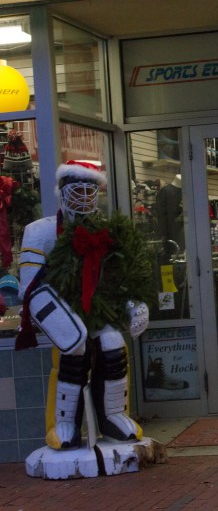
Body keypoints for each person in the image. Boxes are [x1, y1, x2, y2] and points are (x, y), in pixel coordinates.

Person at [16, 160, 151, 450]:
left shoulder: (108, 231)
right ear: (63, 191)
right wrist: (58, 321)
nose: (83, 198)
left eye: (89, 191)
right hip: (63, 306)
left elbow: (121, 277)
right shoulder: (40, 231)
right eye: (77, 191)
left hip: (97, 308)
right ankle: (64, 422)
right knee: (73, 349)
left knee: (113, 345)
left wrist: (133, 304)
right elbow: (30, 286)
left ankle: (113, 414)